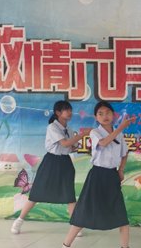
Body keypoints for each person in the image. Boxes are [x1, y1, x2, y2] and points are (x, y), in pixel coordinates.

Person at [54, 101, 136, 248]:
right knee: (82, 216)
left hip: (112, 177)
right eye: (100, 113)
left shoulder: (119, 134)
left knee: (122, 217)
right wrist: (121, 127)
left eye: (108, 112)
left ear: (113, 115)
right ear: (96, 117)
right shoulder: (95, 132)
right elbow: (104, 143)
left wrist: (121, 169)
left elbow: (124, 153)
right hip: (97, 176)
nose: (105, 116)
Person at [11, 100, 85, 234]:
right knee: (36, 194)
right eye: (66, 110)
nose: (70, 112)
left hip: (65, 163)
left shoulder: (69, 129)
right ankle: (19, 221)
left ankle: (75, 226)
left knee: (69, 195)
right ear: (58, 113)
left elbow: (68, 147)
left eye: (70, 110)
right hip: (51, 162)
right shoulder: (52, 127)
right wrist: (82, 135)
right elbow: (64, 143)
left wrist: (79, 147)